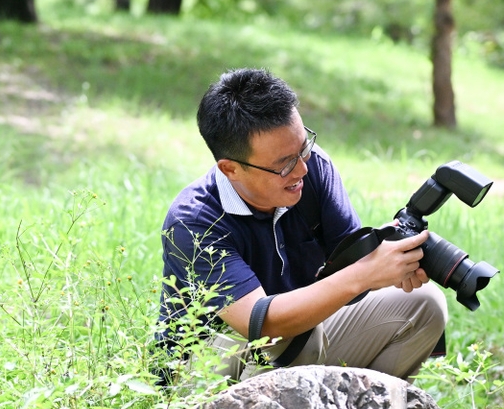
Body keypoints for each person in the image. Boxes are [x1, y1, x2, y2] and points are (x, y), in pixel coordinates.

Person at [158, 67, 448, 381]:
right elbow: (261, 323)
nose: (302, 171)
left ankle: (360, 408)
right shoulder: (193, 221)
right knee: (292, 331)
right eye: (284, 165)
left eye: (303, 148)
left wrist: (390, 259)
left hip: (297, 347)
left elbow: (349, 270)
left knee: (424, 304)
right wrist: (365, 274)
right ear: (231, 169)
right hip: (202, 371)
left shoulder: (312, 168)